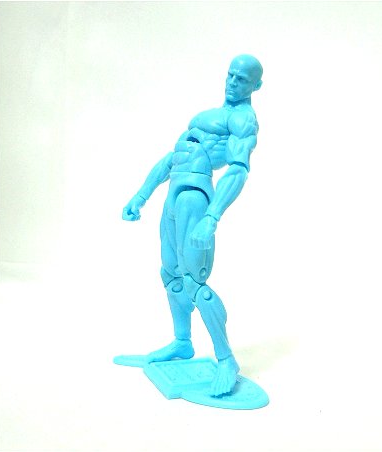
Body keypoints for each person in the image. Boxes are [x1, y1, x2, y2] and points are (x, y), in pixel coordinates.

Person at [123, 54, 263, 397]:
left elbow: (238, 170)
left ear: (256, 85)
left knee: (194, 281)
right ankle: (182, 342)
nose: (233, 82)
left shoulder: (243, 119)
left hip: (194, 199)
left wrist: (211, 218)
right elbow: (173, 157)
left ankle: (226, 360)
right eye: (230, 75)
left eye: (242, 79)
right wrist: (141, 195)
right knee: (170, 275)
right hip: (174, 195)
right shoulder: (208, 116)